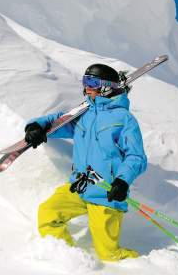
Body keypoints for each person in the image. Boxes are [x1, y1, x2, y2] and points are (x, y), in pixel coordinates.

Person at [23, 63, 147, 261]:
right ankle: (69, 259)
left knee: (109, 255)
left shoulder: (124, 119)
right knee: (48, 213)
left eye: (91, 82)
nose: (86, 87)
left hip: (106, 194)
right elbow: (58, 120)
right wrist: (37, 126)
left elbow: (136, 157)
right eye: (84, 81)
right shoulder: (84, 114)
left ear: (105, 86)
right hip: (79, 187)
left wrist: (122, 181)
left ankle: (146, 267)